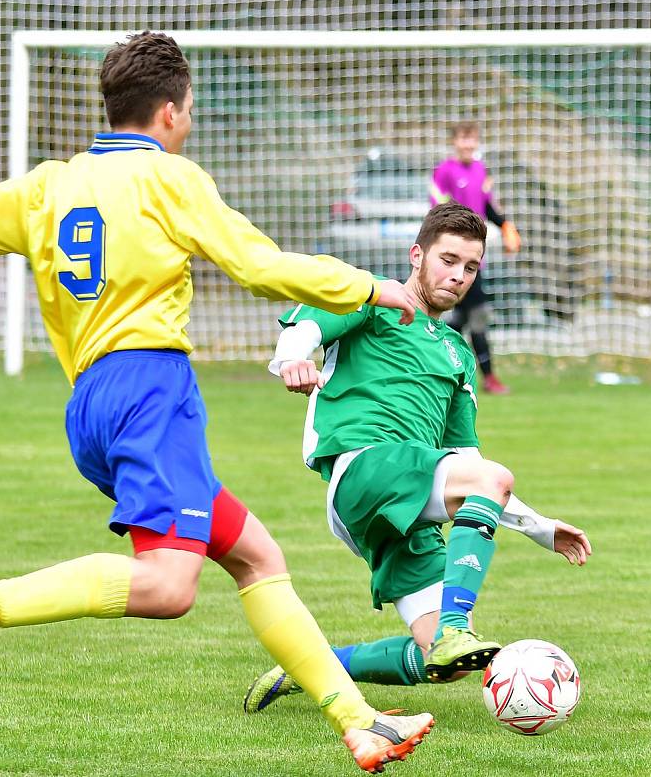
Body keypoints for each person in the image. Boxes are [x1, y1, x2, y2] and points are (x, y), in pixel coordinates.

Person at [0, 32, 434, 773]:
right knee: (169, 585)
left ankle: (359, 720)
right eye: (190, 109)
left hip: (91, 402)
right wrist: (368, 287)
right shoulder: (170, 179)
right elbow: (259, 264)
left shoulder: (48, 184)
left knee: (255, 555)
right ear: (171, 111)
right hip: (151, 389)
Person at [243, 202, 591, 712]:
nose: (458, 276)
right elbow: (306, 327)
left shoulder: (457, 353)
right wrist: (291, 360)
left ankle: (307, 665)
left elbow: (468, 462)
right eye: (448, 259)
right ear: (417, 255)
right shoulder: (376, 298)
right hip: (366, 466)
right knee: (488, 493)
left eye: (470, 267)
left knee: (440, 662)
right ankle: (456, 627)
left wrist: (538, 525)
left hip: (404, 500)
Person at [430, 121, 521, 395]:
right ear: (455, 142)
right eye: (463, 140)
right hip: (454, 257)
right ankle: (489, 377)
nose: (469, 145)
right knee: (476, 312)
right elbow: (438, 212)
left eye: (473, 140)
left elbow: (488, 206)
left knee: (463, 316)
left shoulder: (480, 171)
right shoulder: (444, 172)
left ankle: (435, 357)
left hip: (474, 258)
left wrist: (505, 225)